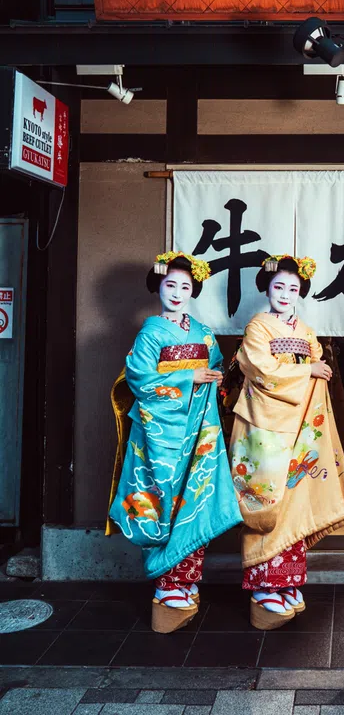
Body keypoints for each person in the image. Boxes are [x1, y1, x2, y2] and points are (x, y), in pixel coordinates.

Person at [107, 251, 242, 633]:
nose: (178, 292)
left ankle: (186, 582)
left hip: (198, 433)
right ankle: (167, 588)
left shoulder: (203, 333)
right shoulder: (150, 334)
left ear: (193, 290)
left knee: (194, 501)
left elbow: (216, 367)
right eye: (171, 284)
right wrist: (189, 378)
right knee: (162, 498)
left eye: (185, 286)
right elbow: (140, 380)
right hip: (159, 435)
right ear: (159, 287)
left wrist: (215, 379)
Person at [226, 254, 344, 630]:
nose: (285, 294)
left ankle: (287, 582)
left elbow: (317, 365)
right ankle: (263, 589)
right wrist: (308, 370)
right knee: (266, 500)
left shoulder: (305, 330)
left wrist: (316, 370)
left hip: (300, 425)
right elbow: (261, 369)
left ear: (300, 292)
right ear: (266, 289)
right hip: (264, 427)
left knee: (295, 501)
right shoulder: (257, 327)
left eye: (292, 288)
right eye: (278, 287)